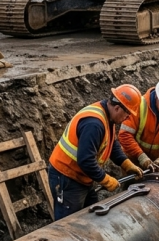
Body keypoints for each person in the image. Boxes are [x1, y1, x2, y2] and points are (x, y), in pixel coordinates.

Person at [47, 84, 145, 220]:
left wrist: (126, 164)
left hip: (83, 176)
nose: (127, 118)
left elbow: (112, 144)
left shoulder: (108, 116)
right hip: (67, 177)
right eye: (127, 114)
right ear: (117, 108)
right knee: (68, 223)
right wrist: (106, 180)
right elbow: (86, 161)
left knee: (92, 216)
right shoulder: (94, 124)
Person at [119, 79, 159, 170]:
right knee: (133, 178)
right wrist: (140, 156)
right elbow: (125, 135)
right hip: (133, 158)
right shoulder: (139, 105)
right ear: (157, 95)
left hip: (157, 161)